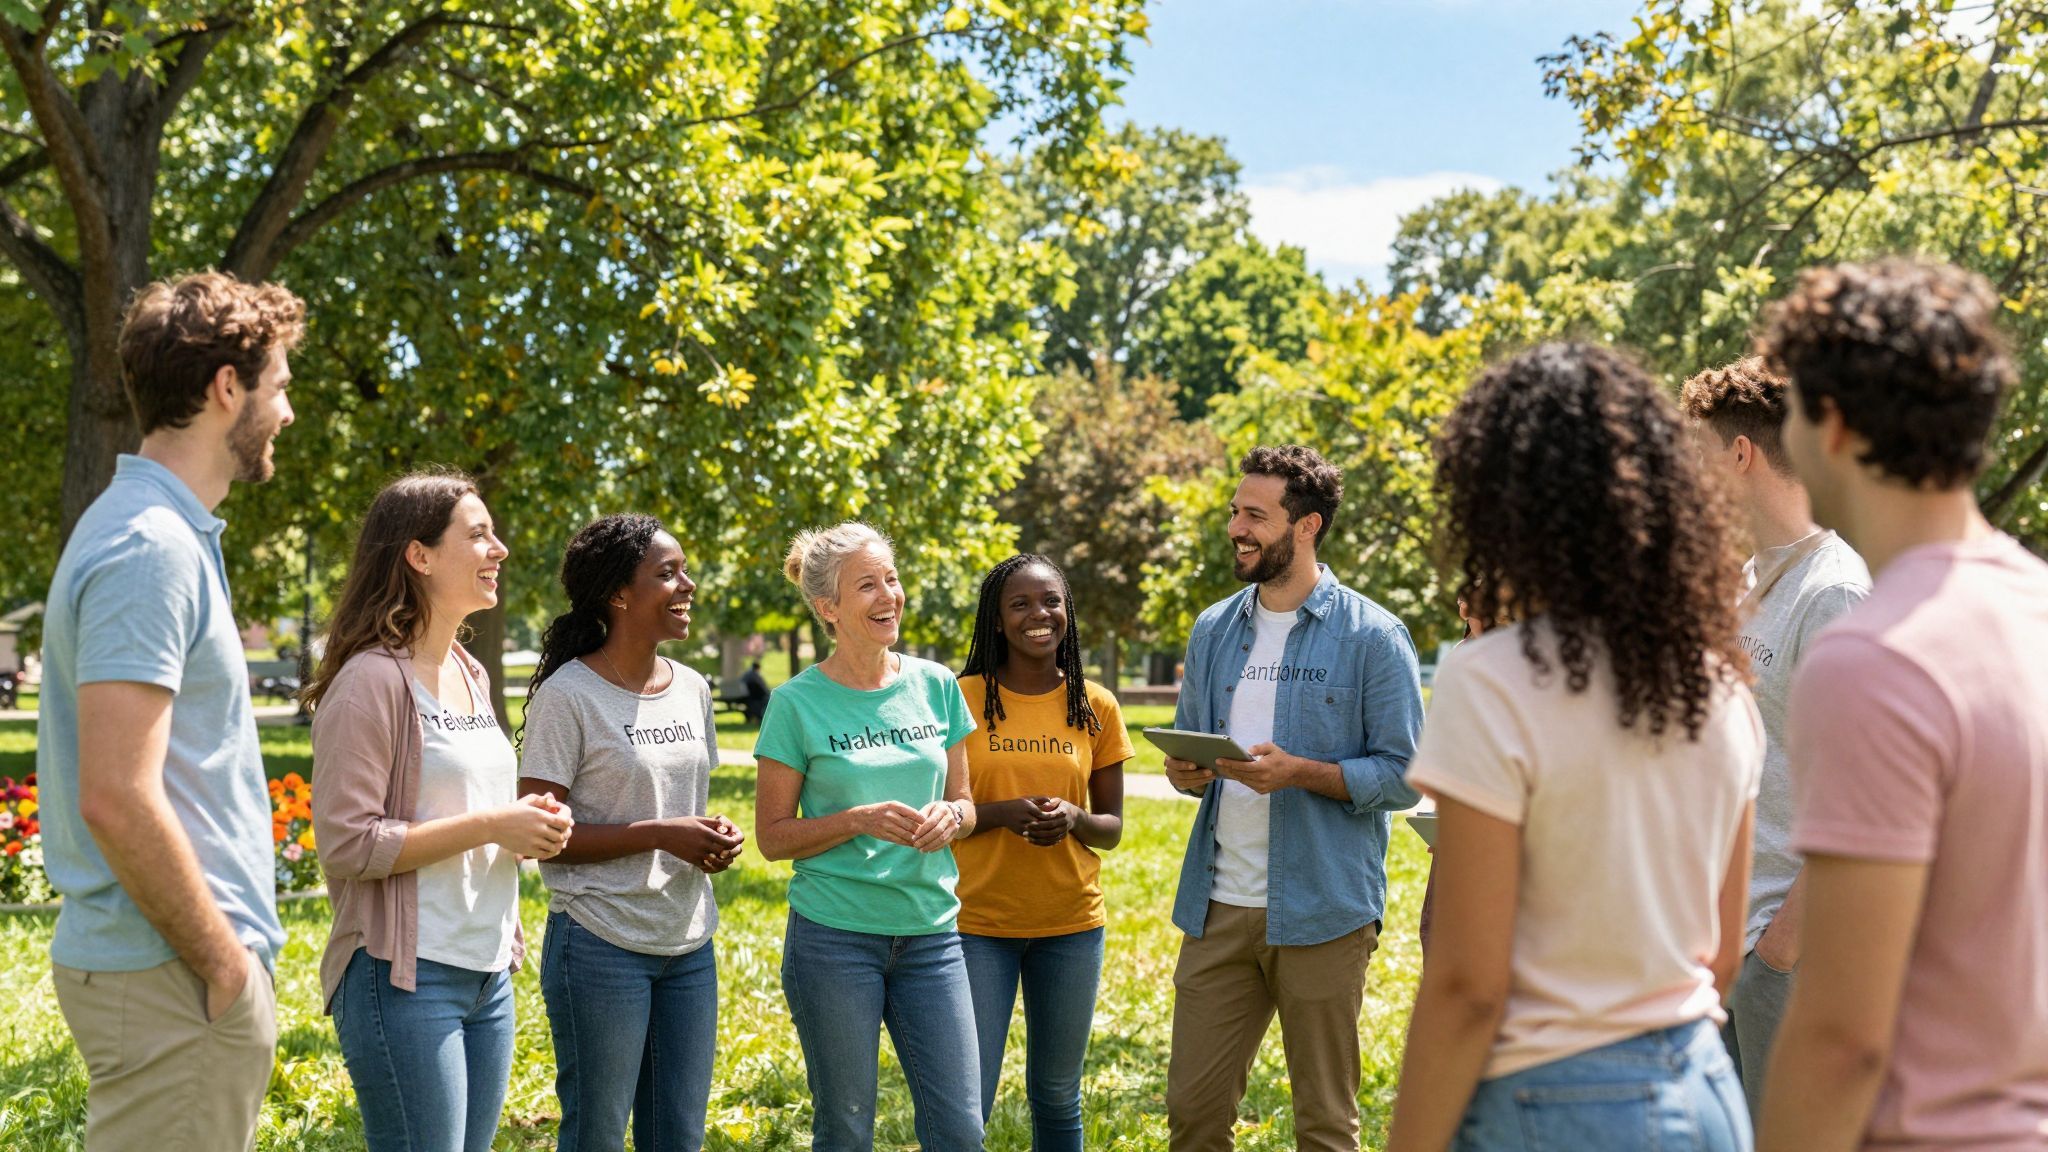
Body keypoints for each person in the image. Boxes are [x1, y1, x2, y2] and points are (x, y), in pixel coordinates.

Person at [1387, 342, 1761, 1152]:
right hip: (1705, 1092)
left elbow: (1465, 986)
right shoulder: (1722, 686)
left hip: (1549, 1102)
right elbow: (1722, 956)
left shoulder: (1493, 679)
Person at [1756, 260, 2048, 1152]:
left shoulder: (1873, 657)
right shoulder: (2035, 603)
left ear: (1833, 424)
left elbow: (1841, 1037)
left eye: (1794, 411)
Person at [38, 272, 302, 1152]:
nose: (288, 414)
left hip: (175, 980)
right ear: (229, 387)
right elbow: (116, 794)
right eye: (281, 386)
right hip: (173, 983)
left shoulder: (162, 533)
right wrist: (224, 969)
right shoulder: (148, 548)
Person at [1161, 444, 1425, 1152]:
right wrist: (1185, 773)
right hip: (1219, 907)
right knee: (1192, 1112)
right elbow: (1191, 749)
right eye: (1234, 512)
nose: (1237, 528)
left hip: (1324, 913)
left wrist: (1302, 772)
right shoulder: (1215, 628)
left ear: (1306, 527)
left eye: (1256, 515)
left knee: (1325, 1123)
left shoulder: (1373, 636)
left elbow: (1404, 774)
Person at [305, 471, 574, 1152]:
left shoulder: (468, 671)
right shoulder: (369, 682)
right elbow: (347, 844)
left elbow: (457, 807)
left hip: (486, 975)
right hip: (403, 976)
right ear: (418, 555)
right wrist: (489, 825)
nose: (500, 549)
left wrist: (522, 825)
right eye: (477, 534)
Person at [1680, 356, 1870, 1119]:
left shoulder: (1836, 593)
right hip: (1715, 949)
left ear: (1737, 454)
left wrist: (1776, 955)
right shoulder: (1739, 584)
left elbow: (1867, 801)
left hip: (1784, 960)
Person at [753, 521, 983, 1151]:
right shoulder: (795, 704)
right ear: (827, 607)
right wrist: (856, 820)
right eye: (867, 586)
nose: (890, 595)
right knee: (847, 1129)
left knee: (961, 1130)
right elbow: (772, 838)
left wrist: (951, 820)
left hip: (932, 936)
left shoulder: (935, 685)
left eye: (892, 579)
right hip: (834, 940)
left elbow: (965, 803)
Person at [518, 514, 743, 1152]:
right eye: (667, 574)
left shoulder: (692, 688)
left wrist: (709, 834)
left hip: (688, 941)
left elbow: (681, 804)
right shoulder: (569, 695)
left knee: (678, 1135)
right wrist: (660, 833)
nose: (687, 585)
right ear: (620, 594)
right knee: (596, 1135)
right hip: (600, 941)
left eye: (684, 571)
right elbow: (540, 830)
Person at [953, 554, 1134, 1150]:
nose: (1040, 614)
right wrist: (1002, 815)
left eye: (1051, 601)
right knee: (966, 1099)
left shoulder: (1096, 705)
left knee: (1058, 1094)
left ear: (1068, 611)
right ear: (997, 620)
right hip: (976, 923)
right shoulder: (959, 697)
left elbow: (1110, 827)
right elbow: (939, 818)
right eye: (1021, 604)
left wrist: (1076, 818)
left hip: (1070, 925)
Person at [742, 660, 771, 725]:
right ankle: (762, 718)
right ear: (758, 668)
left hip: (748, 696)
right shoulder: (756, 675)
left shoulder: (746, 674)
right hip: (757, 696)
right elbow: (763, 687)